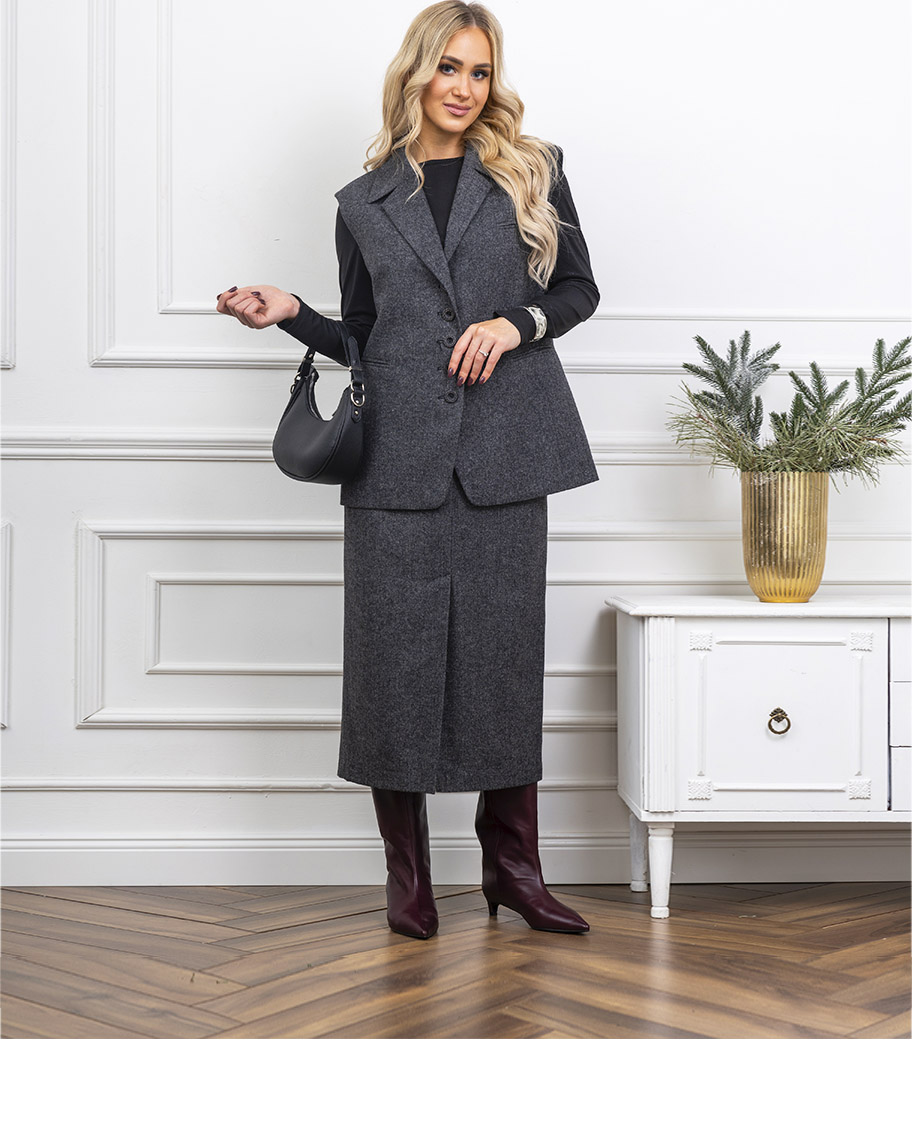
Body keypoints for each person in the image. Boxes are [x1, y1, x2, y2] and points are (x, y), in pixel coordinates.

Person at [217, 1, 600, 939]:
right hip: (398, 462)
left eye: (480, 71)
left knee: (504, 664)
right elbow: (364, 336)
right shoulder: (363, 201)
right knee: (393, 667)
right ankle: (409, 878)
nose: (464, 88)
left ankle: (514, 870)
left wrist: (516, 323)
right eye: (449, 68)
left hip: (508, 453)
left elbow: (579, 289)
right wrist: (293, 312)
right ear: (416, 73)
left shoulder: (532, 169)